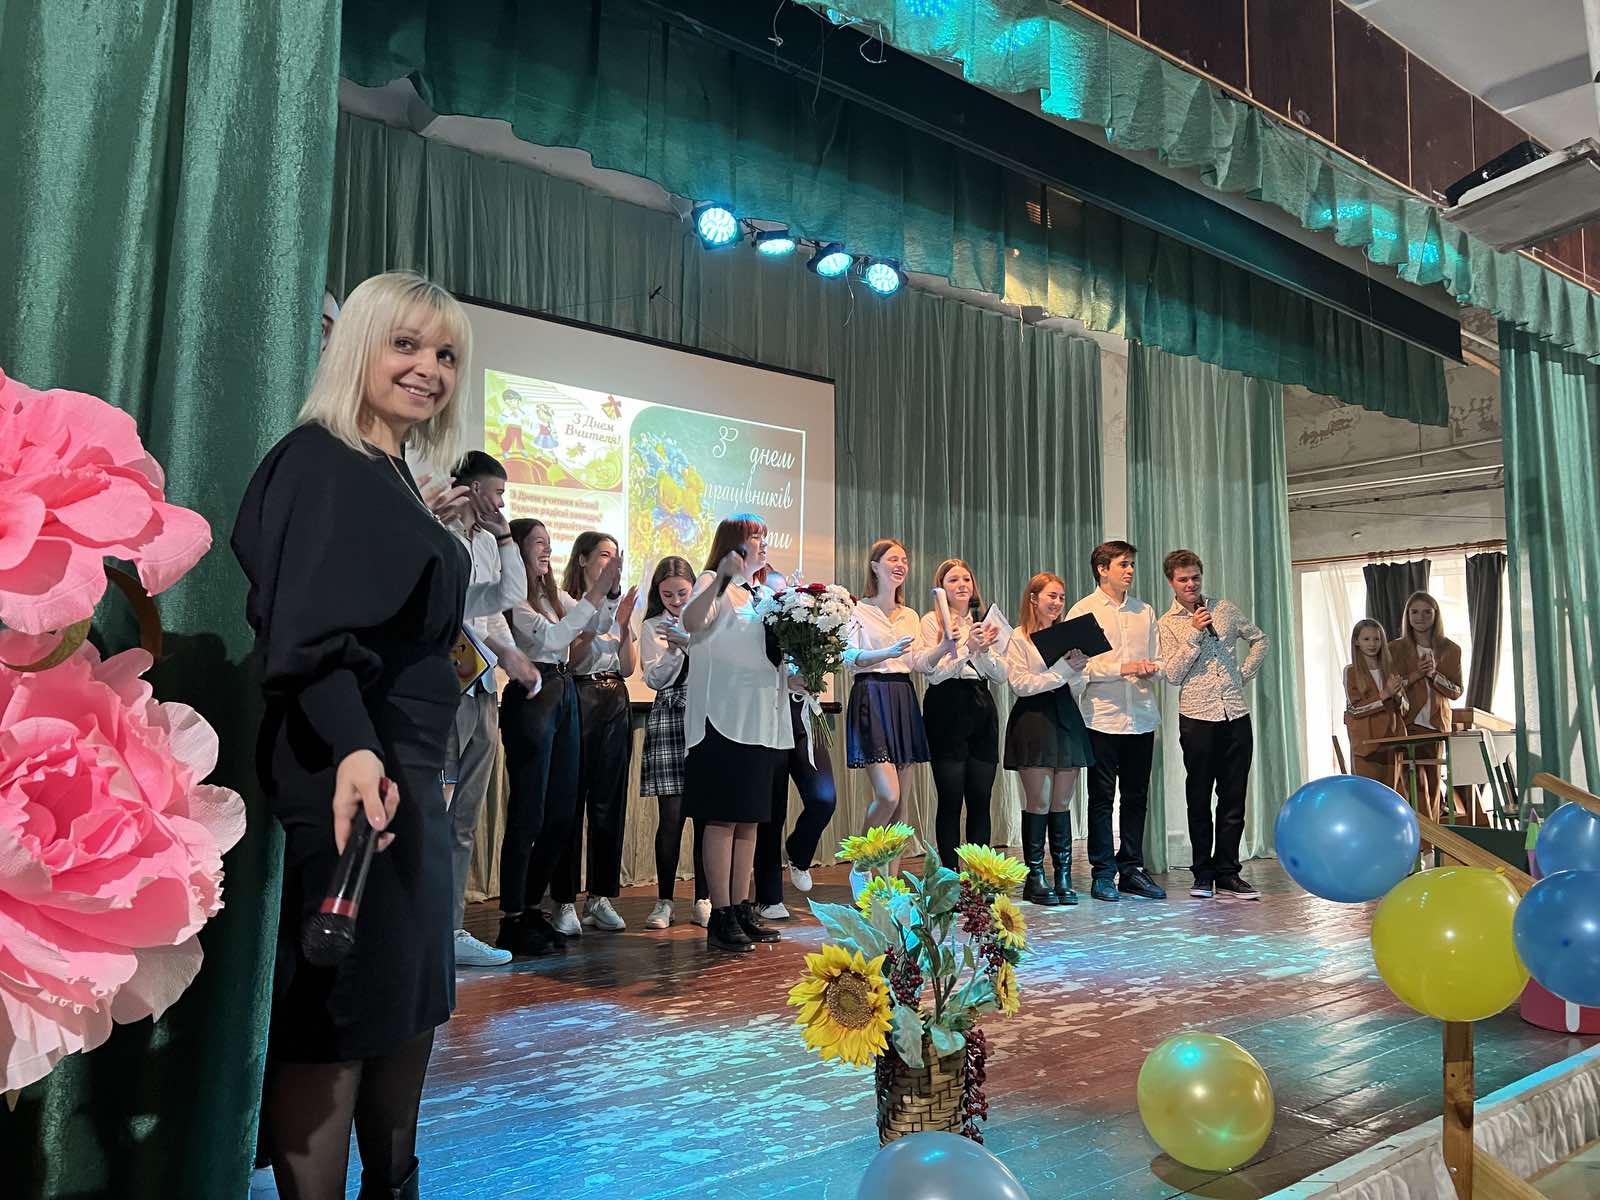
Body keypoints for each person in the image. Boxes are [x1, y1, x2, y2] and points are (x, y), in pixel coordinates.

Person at [232, 270, 472, 1199]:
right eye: (405, 344)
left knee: (403, 1002)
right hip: (351, 769)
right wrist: (355, 748)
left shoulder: (387, 472)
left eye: (445, 354)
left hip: (404, 770)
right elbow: (304, 635)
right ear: (356, 345)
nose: (428, 369)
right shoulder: (318, 458)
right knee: (338, 1017)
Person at [496, 521, 624, 956]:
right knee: (529, 812)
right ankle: (512, 917)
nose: (547, 551)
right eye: (539, 544)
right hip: (532, 696)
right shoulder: (513, 598)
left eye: (550, 544)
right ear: (515, 550)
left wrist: (608, 593)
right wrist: (595, 594)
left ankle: (533, 907)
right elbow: (555, 637)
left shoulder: (554, 596)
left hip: (564, 692)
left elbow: (598, 623)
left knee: (561, 812)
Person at [438, 451, 542, 968]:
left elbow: (500, 603)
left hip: (481, 688)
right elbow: (454, 609)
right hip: (442, 691)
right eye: (497, 492)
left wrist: (504, 539)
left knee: (463, 820)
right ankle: (420, 928)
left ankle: (451, 929)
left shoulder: (485, 540)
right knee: (433, 813)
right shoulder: (439, 533)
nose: (502, 503)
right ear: (473, 489)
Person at [680, 514, 796, 952]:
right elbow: (692, 621)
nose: (763, 543)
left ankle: (743, 907)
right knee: (722, 817)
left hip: (759, 720)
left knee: (750, 819)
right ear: (732, 544)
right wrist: (723, 577)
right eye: (754, 537)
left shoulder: (762, 594)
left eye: (765, 536)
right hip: (722, 717)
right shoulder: (714, 581)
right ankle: (721, 913)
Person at [1156, 550, 1270, 902]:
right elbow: (1172, 675)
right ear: (1172, 583)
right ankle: (1202, 873)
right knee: (1199, 797)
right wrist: (1193, 635)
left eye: (1195, 577)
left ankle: (1229, 873)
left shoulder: (1225, 609)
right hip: (1197, 717)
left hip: (1235, 713)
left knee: (1233, 797)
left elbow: (1260, 639)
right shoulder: (1167, 623)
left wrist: (1243, 674)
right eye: (1183, 580)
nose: (1191, 585)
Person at [1068, 541, 1167, 903]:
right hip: (1101, 718)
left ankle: (1132, 869)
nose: (1129, 571)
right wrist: (1123, 667)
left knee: (1137, 797)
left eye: (1131, 565)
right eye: (1123, 564)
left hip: (1141, 716)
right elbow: (1079, 668)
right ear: (1102, 569)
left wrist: (1152, 669)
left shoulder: (1144, 611)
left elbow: (1159, 660)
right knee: (1101, 799)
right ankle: (1102, 872)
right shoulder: (1083, 611)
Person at [551, 532, 640, 936]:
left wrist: (622, 624)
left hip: (616, 700)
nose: (611, 562)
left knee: (609, 802)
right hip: (579, 695)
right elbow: (572, 660)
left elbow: (628, 668)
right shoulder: (568, 602)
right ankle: (563, 899)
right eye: (604, 554)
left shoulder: (617, 606)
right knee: (571, 801)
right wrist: (593, 623)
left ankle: (600, 897)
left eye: (615, 556)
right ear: (583, 560)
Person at [843, 538, 930, 898]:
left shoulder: (910, 615)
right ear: (875, 566)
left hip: (902, 696)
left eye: (904, 560)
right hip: (871, 694)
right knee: (888, 795)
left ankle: (891, 886)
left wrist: (948, 647)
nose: (900, 564)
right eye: (893, 559)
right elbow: (850, 657)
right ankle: (860, 864)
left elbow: (918, 661)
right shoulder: (857, 609)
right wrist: (885, 652)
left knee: (901, 805)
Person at [752, 560, 839, 921]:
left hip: (804, 714)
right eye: (774, 594)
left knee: (823, 797)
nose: (781, 598)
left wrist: (813, 672)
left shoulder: (805, 626)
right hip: (770, 717)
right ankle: (769, 897)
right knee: (771, 812)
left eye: (785, 592)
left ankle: (798, 852)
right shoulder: (753, 625)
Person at [1003, 572, 1094, 907]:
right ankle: (1035, 876)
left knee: (1061, 803)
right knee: (1039, 801)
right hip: (1034, 719)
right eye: (1051, 596)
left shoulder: (1067, 636)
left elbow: (1077, 688)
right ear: (1033, 598)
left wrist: (1078, 670)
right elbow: (1022, 684)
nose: (1057, 603)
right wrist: (1063, 671)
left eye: (1061, 597)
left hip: (1066, 716)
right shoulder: (1019, 637)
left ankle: (1064, 875)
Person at [912, 558, 1007, 870]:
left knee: (981, 798)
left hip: (981, 706)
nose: (962, 585)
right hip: (945, 707)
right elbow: (935, 674)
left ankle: (980, 876)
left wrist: (984, 649)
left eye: (966, 579)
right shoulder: (932, 622)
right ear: (941, 588)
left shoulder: (985, 621)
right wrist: (967, 647)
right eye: (953, 580)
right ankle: (950, 876)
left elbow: (1001, 675)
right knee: (951, 799)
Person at [639, 556, 711, 929]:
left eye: (682, 593)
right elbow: (654, 679)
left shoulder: (709, 622)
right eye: (668, 595)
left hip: (704, 714)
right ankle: (664, 901)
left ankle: (703, 899)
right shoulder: (652, 625)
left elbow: (716, 666)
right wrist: (673, 648)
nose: (676, 601)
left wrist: (690, 641)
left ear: (695, 588)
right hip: (669, 714)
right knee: (671, 815)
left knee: (706, 815)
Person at [1387, 591, 1464, 824]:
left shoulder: (1451, 649)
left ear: (1436, 615)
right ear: (1407, 616)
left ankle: (1432, 837)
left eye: (1427, 612)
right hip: (1406, 723)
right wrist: (1417, 675)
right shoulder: (1395, 648)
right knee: (1411, 784)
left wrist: (1433, 675)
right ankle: (1419, 834)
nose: (1420, 617)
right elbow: (1390, 687)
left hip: (1436, 725)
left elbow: (1456, 691)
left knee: (1432, 783)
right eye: (1414, 612)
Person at [1345, 618, 1409, 790]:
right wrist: (1385, 694)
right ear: (1357, 642)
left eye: (1377, 639)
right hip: (1366, 744)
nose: (1372, 644)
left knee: (1392, 793)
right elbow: (1354, 709)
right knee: (1367, 794)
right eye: (1366, 639)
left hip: (1392, 741)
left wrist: (1397, 696)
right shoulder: (1351, 671)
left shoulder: (1390, 670)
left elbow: (1405, 708)